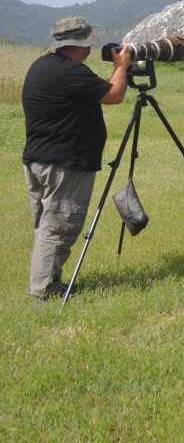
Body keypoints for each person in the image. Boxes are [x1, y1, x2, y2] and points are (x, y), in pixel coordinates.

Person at [22, 16, 132, 300]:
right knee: (59, 227)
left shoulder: (43, 66)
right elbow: (115, 95)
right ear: (81, 44)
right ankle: (42, 291)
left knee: (48, 226)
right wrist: (122, 67)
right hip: (64, 164)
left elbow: (97, 91)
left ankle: (49, 282)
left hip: (39, 160)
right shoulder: (72, 73)